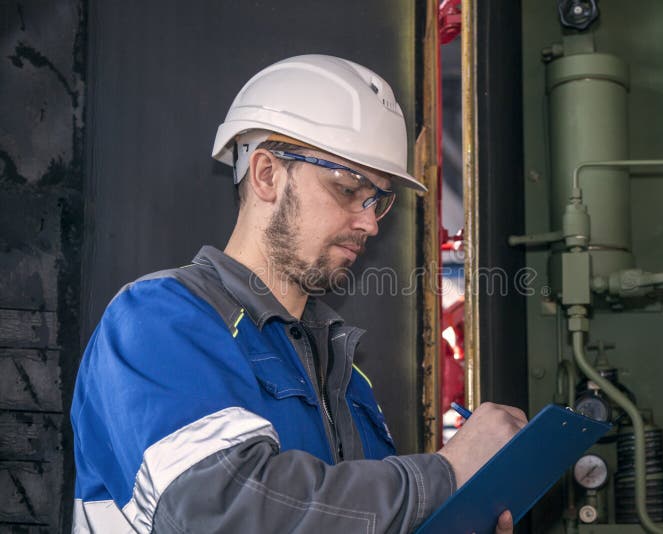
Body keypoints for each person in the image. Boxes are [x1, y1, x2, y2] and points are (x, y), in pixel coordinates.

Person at [71, 54, 526, 533]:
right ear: (267, 174)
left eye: (378, 199)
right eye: (349, 187)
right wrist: (448, 474)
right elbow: (224, 514)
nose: (370, 222)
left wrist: (456, 514)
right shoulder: (158, 321)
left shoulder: (348, 383)